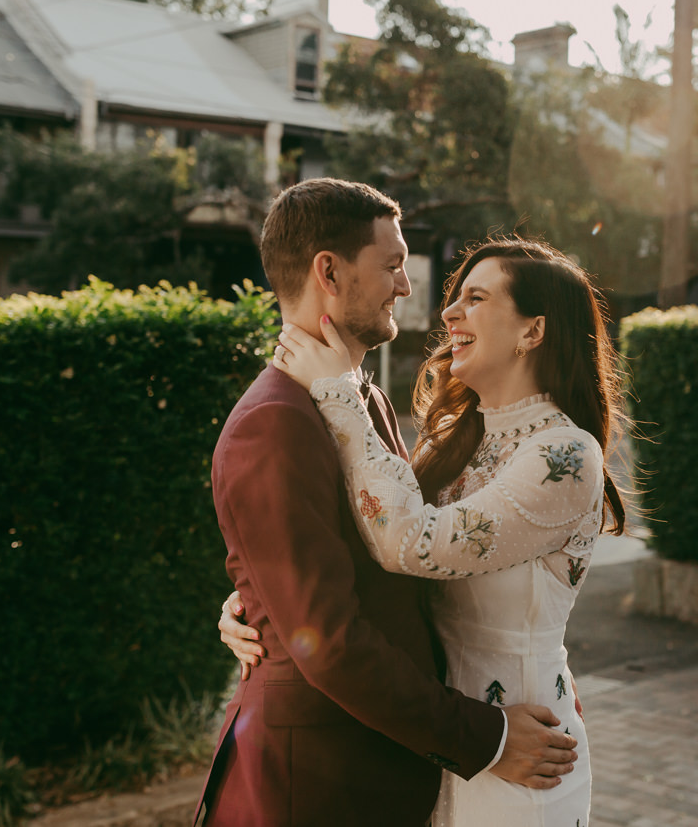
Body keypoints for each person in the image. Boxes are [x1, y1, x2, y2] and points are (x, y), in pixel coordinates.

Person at [194, 180, 578, 827]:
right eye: (393, 264)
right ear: (329, 271)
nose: (406, 285)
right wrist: (487, 738)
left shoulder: (358, 400)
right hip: (313, 788)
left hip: (377, 769)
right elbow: (330, 642)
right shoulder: (274, 421)